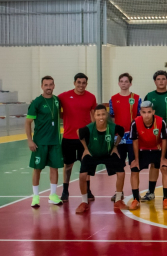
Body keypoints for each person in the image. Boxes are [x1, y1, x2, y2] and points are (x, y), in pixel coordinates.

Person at [75, 105, 126, 214]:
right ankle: (84, 201)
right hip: (92, 154)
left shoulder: (112, 127)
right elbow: (78, 132)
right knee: (82, 175)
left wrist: (115, 146)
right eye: (98, 115)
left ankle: (118, 200)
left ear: (106, 115)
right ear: (94, 116)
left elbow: (122, 131)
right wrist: (85, 149)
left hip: (108, 154)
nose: (101, 117)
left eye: (103, 114)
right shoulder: (89, 128)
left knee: (121, 173)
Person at [58, 73, 97, 202]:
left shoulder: (91, 97)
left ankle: (88, 190)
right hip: (68, 138)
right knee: (68, 166)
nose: (81, 85)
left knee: (86, 166)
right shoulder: (63, 97)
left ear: (86, 84)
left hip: (85, 139)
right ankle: (65, 190)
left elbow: (93, 116)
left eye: (83, 83)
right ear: (74, 83)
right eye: (79, 82)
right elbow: (57, 112)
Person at [25, 76, 63, 207]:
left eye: (50, 84)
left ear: (54, 85)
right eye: (46, 85)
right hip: (40, 142)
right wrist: (30, 140)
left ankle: (53, 195)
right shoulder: (37, 102)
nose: (48, 87)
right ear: (42, 86)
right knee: (37, 169)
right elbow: (28, 122)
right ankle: (35, 196)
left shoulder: (57, 100)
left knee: (55, 168)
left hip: (55, 142)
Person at [127, 101, 167, 211]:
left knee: (164, 168)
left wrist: (162, 158)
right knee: (134, 169)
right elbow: (135, 142)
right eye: (144, 112)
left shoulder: (161, 121)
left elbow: (164, 140)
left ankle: (165, 199)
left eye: (149, 112)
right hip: (142, 150)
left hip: (157, 148)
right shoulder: (135, 123)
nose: (146, 115)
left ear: (153, 112)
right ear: (140, 112)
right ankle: (136, 199)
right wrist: (136, 160)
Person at [145, 70, 167, 202]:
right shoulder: (149, 96)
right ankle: (151, 191)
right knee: (154, 164)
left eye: (163, 79)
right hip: (153, 136)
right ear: (155, 81)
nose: (161, 81)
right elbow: (144, 115)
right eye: (158, 79)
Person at [108, 73, 141, 202]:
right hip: (119, 138)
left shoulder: (137, 98)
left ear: (130, 83)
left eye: (126, 81)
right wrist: (112, 138)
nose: (123, 83)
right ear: (118, 83)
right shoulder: (113, 99)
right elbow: (111, 119)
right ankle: (118, 193)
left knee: (134, 166)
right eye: (121, 81)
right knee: (119, 167)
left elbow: (140, 118)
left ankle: (135, 194)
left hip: (132, 138)